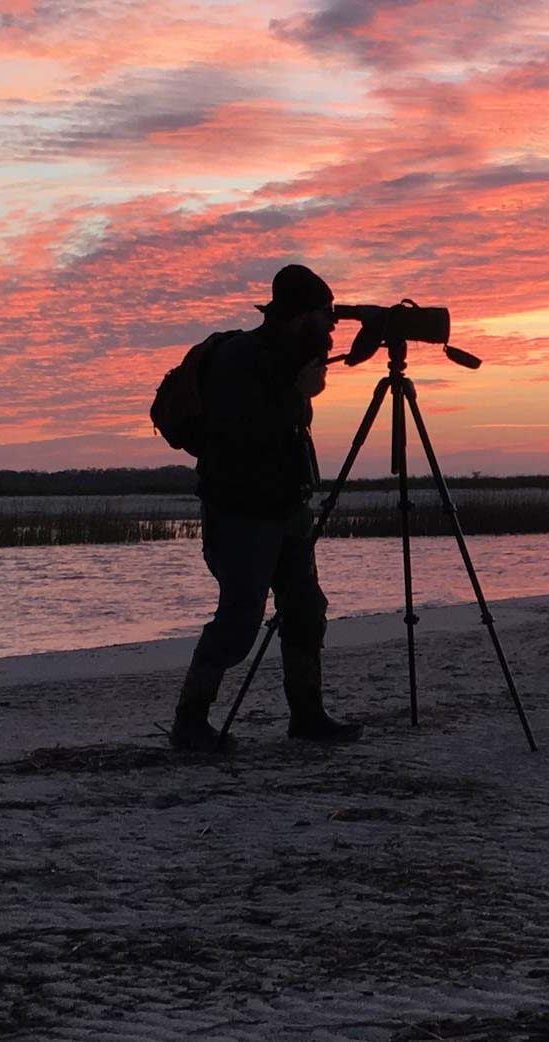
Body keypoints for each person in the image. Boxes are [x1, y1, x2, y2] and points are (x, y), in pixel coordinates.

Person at [170, 264, 363, 751]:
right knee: (238, 623)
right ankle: (190, 722)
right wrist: (298, 394)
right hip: (240, 512)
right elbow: (245, 433)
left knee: (305, 611)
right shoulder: (241, 359)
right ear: (299, 317)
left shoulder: (288, 358)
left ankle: (308, 715)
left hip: (287, 507)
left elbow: (285, 433)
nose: (333, 327)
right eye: (325, 317)